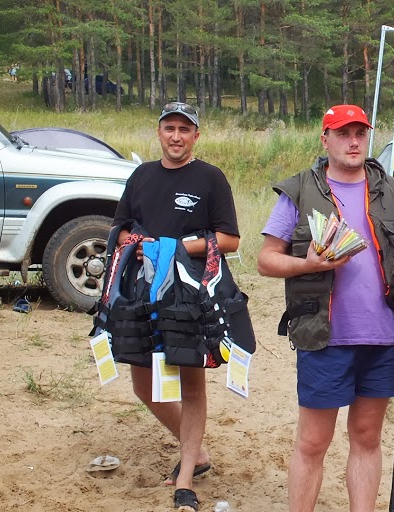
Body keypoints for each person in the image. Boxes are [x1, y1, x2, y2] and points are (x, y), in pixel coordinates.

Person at [257, 104, 394, 512]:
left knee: (367, 436)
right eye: (342, 133)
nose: (353, 142)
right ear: (325, 139)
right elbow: (266, 260)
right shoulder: (300, 190)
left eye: (360, 133)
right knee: (313, 441)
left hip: (385, 334)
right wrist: (308, 265)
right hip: (324, 334)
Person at [113, 102, 240, 511]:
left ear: (196, 136)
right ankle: (196, 452)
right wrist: (136, 245)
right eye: (169, 128)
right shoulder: (141, 176)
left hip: (189, 295)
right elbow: (120, 229)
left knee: (191, 384)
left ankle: (185, 478)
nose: (176, 136)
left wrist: (179, 247)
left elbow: (230, 239)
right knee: (142, 383)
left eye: (185, 129)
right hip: (142, 292)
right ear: (159, 132)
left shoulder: (210, 178)